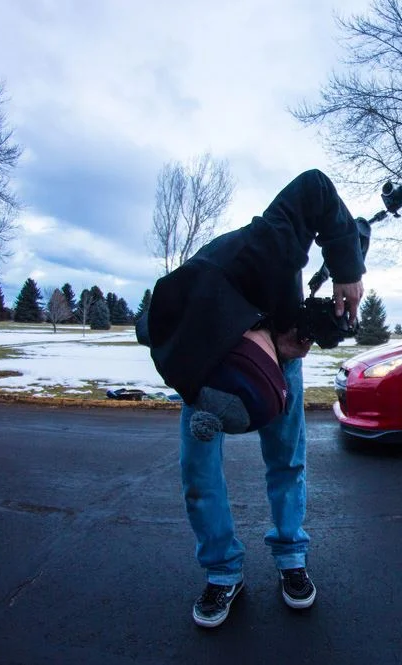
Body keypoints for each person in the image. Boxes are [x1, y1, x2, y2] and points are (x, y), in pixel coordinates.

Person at [139, 169, 366, 628]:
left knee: (286, 457)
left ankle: (291, 555)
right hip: (207, 369)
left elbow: (315, 187)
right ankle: (223, 569)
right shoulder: (179, 343)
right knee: (198, 470)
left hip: (274, 339)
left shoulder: (265, 246)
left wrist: (347, 269)